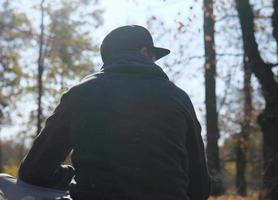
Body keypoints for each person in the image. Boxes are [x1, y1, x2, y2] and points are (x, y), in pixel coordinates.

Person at [17, 25, 211, 200]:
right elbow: (200, 186)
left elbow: (33, 171)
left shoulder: (80, 93)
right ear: (144, 52)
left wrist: (76, 176)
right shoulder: (178, 97)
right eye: (153, 55)